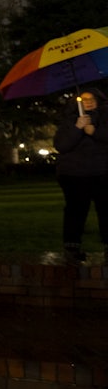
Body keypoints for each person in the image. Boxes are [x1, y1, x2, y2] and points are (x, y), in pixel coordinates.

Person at [53, 88, 108, 264]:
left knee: (106, 210)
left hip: (102, 172)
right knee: (75, 210)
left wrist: (94, 131)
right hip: (74, 174)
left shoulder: (104, 119)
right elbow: (61, 145)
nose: (89, 101)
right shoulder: (69, 121)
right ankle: (72, 248)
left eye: (92, 98)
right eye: (84, 99)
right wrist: (78, 128)